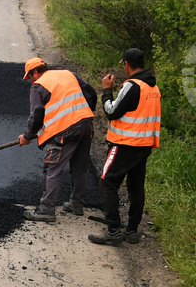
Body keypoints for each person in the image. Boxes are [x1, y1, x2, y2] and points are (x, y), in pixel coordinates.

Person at [88, 48, 161, 246]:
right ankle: (131, 231)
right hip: (144, 144)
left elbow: (111, 111)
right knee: (136, 188)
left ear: (126, 64)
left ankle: (113, 230)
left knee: (107, 183)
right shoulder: (153, 87)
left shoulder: (132, 85)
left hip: (125, 143)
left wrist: (106, 90)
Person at [18, 58, 97, 223]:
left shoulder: (38, 86)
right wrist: (83, 116)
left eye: (30, 77)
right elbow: (91, 94)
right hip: (86, 125)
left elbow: (36, 114)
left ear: (35, 72)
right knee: (80, 168)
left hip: (64, 132)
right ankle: (76, 204)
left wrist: (27, 136)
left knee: (52, 170)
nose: (30, 81)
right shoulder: (69, 74)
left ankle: (46, 210)